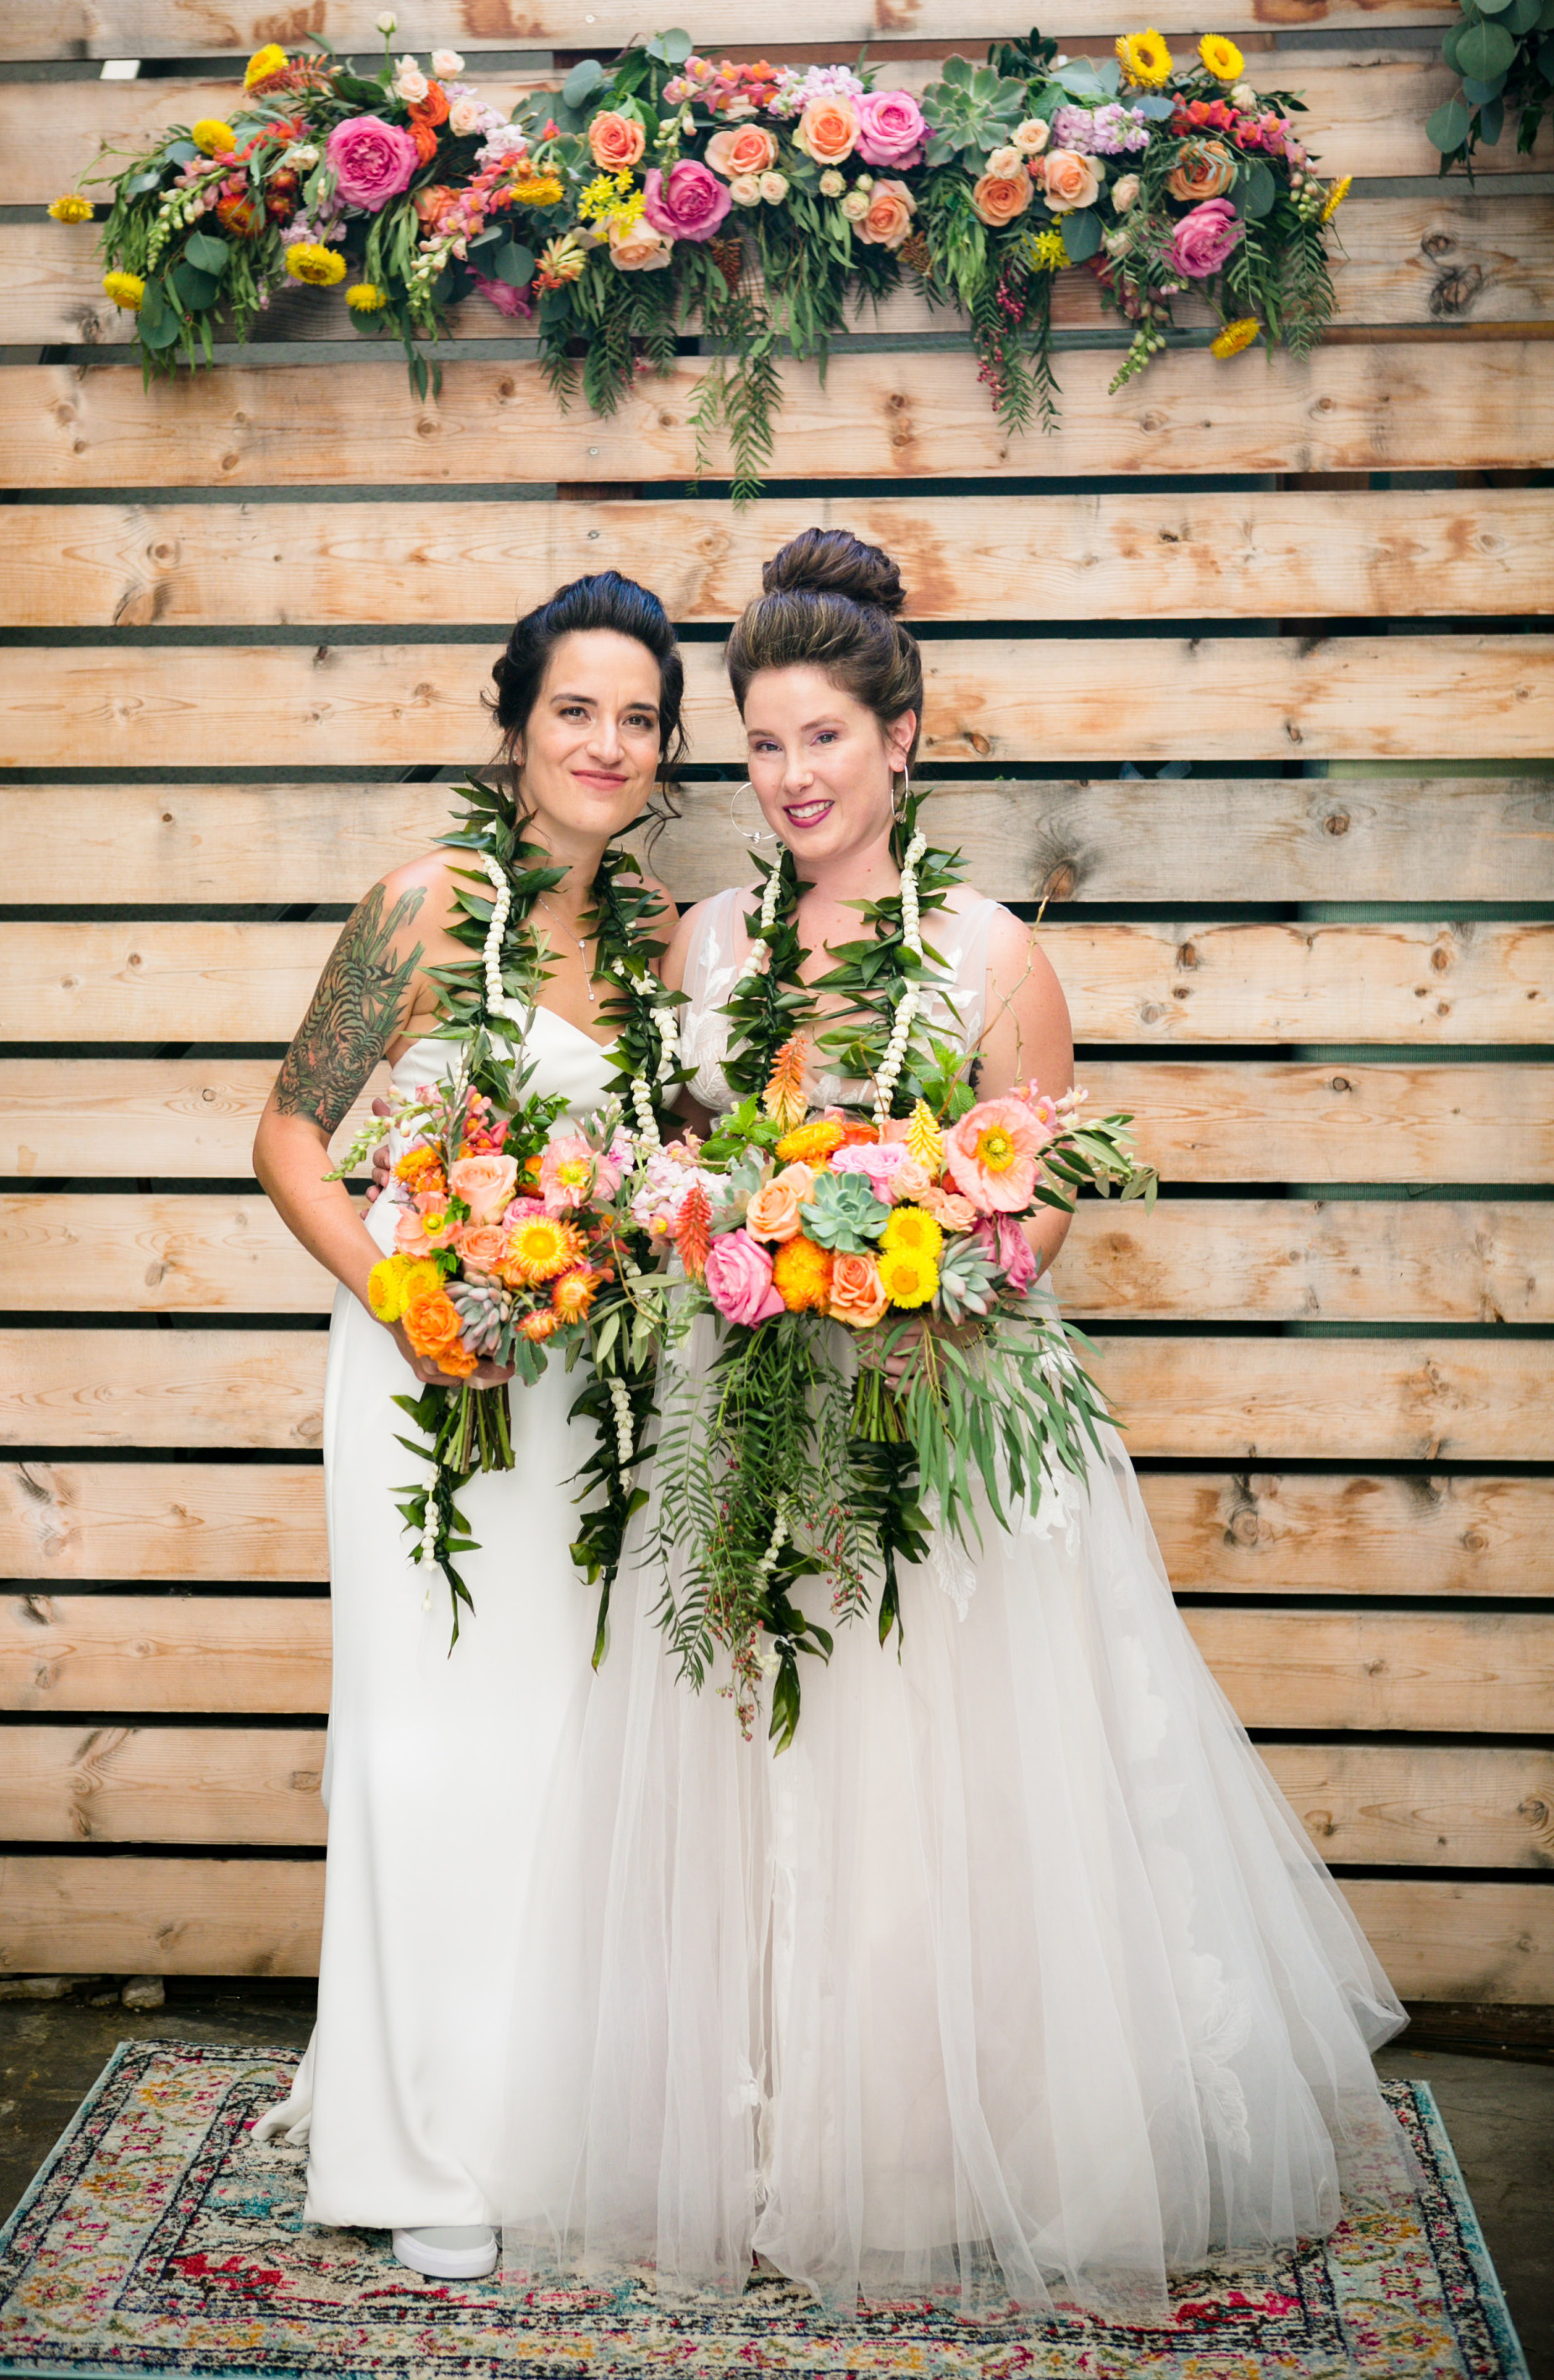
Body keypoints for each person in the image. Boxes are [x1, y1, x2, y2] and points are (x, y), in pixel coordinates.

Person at [499, 527, 1412, 2328]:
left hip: (952, 1426)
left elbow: (1043, 1182)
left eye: (824, 738)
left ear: (902, 738)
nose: (792, 777)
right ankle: (774, 2140)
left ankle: (942, 2145)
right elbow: (680, 1168)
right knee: (766, 1776)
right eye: (760, 745)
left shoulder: (989, 951)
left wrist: (924, 1298)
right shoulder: (704, 943)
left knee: (959, 1799)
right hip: (754, 1427)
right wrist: (722, 1230)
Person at [249, 571, 683, 2283]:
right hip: (421, 1389)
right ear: (516, 729)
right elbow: (290, 1133)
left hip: (584, 1395)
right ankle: (415, 2140)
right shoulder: (425, 906)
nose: (605, 741)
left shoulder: (651, 943)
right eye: (574, 708)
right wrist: (398, 1292)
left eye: (638, 715)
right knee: (430, 1747)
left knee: (568, 1754)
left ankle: (549, 2115)